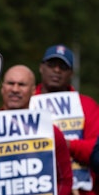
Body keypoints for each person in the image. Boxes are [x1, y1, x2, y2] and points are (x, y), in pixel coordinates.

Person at [0, 64, 73, 195]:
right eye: (10, 83)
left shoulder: (51, 132)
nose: (15, 89)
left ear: (34, 90)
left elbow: (65, 180)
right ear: (2, 88)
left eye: (22, 84)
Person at [37, 44, 99, 194]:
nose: (57, 70)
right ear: (41, 68)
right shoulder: (27, 102)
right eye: (52, 65)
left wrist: (65, 144)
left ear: (71, 73)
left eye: (63, 67)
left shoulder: (88, 105)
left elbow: (95, 150)